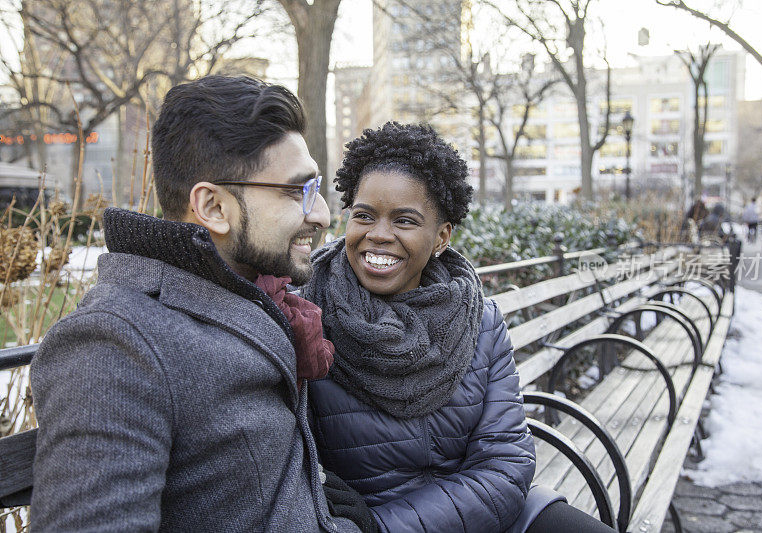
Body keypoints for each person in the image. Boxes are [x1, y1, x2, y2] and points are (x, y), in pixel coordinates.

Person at [29, 76, 373, 532]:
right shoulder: (116, 344)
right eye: (296, 191)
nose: (322, 215)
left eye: (316, 188)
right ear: (212, 207)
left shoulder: (258, 294)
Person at [299, 122, 616, 533]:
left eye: (405, 221)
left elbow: (505, 466)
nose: (378, 235)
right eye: (364, 215)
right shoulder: (306, 312)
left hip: (483, 515)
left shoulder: (480, 321)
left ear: (441, 237)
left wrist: (387, 526)